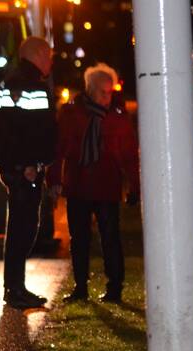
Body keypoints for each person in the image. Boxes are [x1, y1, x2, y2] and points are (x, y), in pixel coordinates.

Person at [48, 63, 139, 304]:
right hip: (79, 185)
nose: (107, 97)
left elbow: (129, 154)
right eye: (102, 92)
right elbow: (60, 149)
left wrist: (134, 185)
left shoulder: (116, 117)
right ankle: (81, 287)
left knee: (110, 237)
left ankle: (114, 287)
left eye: (110, 92)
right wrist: (55, 180)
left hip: (106, 186)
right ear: (89, 89)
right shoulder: (72, 114)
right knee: (80, 239)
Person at [0, 36, 56, 309]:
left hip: (16, 167)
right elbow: (33, 131)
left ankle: (15, 287)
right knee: (24, 228)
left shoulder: (10, 81)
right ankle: (15, 289)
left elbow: (6, 129)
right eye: (50, 56)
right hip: (26, 169)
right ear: (40, 54)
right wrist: (32, 164)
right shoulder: (32, 86)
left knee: (20, 227)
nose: (51, 61)